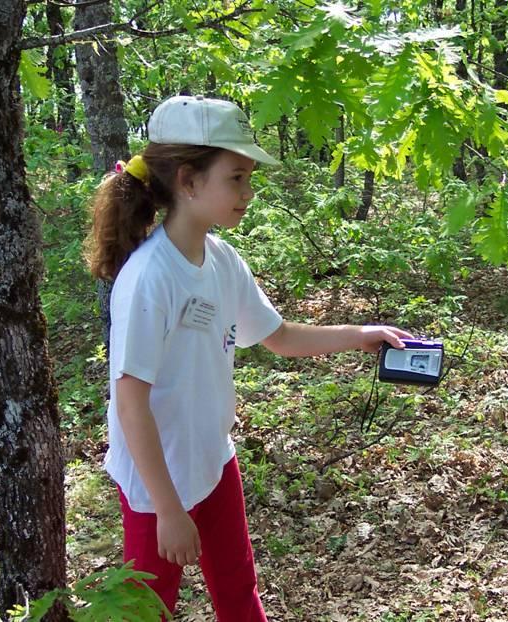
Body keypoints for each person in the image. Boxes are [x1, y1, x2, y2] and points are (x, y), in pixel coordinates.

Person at [85, 95, 411, 621]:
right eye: (236, 177)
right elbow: (130, 404)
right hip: (155, 485)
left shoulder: (221, 258)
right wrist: (168, 510)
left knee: (239, 592)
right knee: (147, 611)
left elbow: (278, 335)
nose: (248, 193)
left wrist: (360, 334)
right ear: (189, 181)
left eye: (248, 178)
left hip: (212, 461)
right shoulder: (150, 277)